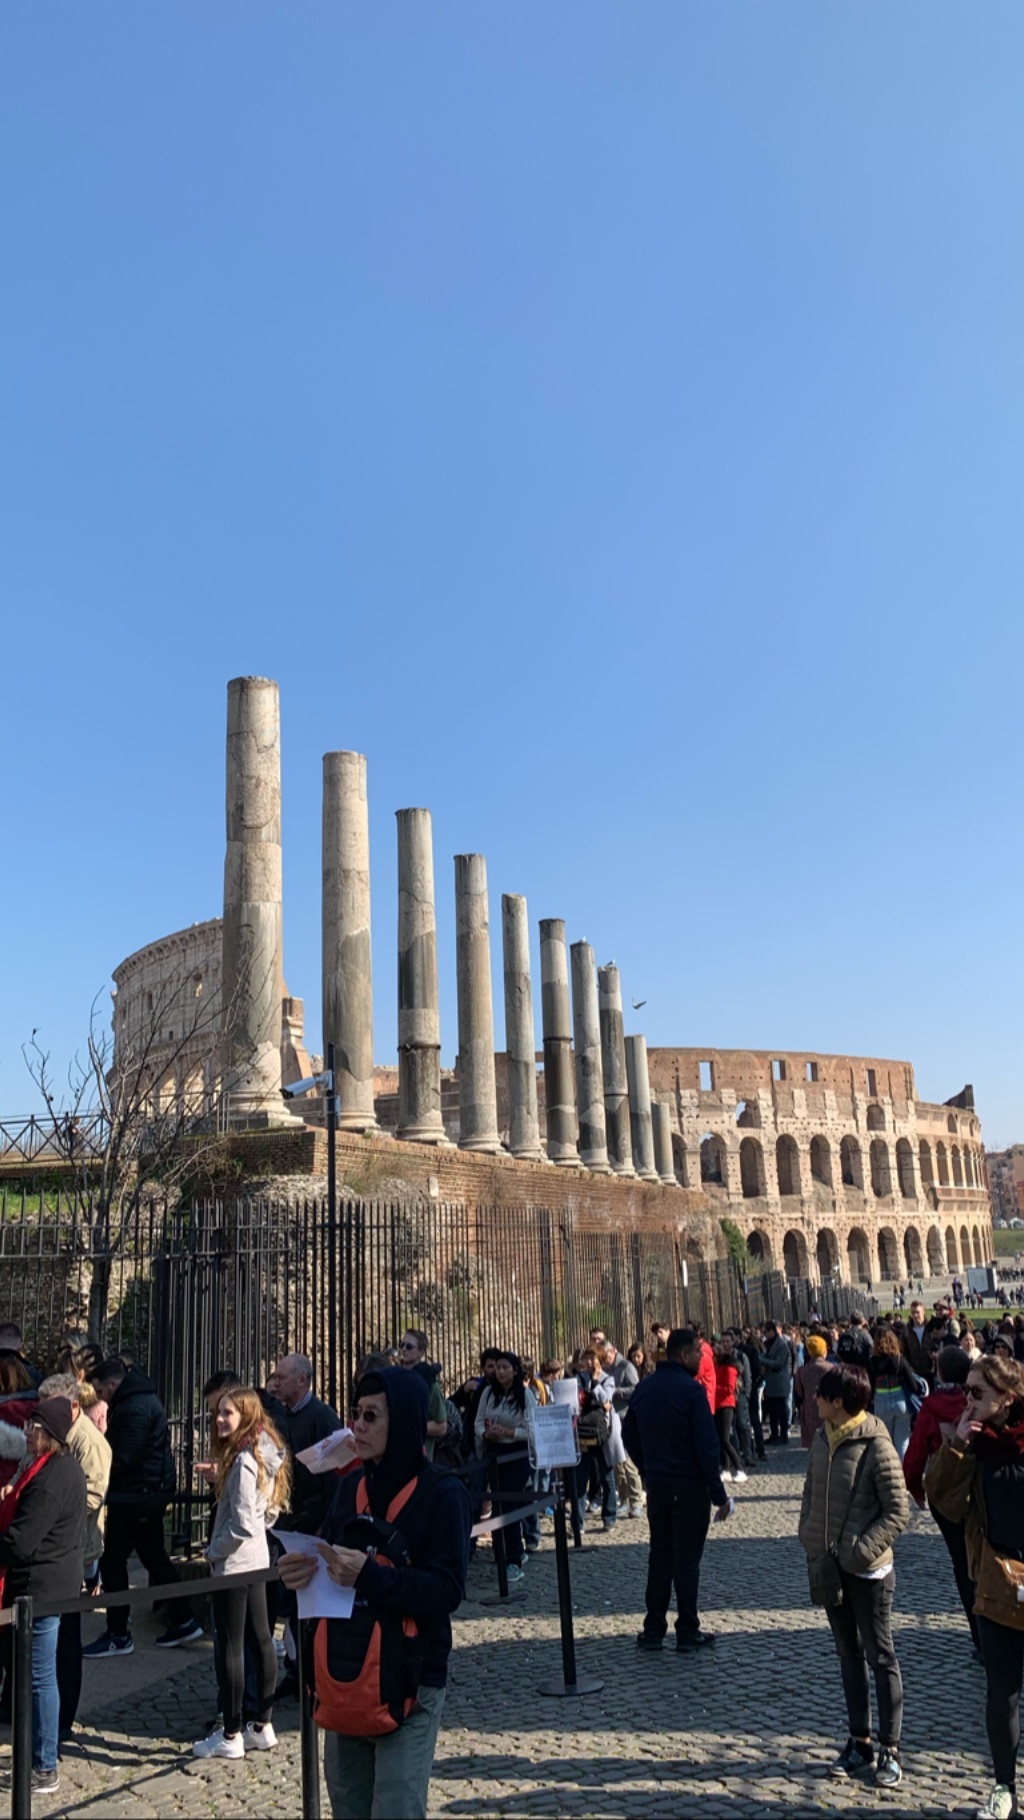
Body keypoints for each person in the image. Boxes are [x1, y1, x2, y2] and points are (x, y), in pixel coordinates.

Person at [279, 1365, 470, 1820]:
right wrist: (295, 1574)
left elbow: (446, 1590)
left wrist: (370, 1576)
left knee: (397, 1808)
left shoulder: (444, 1493)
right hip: (346, 1670)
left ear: (402, 1421)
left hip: (411, 1675)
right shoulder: (349, 1489)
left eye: (371, 1417)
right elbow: (326, 1566)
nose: (357, 1427)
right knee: (347, 1803)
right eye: (355, 1414)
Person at [797, 1362, 909, 1789]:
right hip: (829, 1565)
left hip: (868, 1572)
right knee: (848, 1657)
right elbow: (811, 1490)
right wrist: (809, 1532)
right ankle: (858, 1740)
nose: (815, 1400)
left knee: (880, 1657)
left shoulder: (876, 1443)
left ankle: (890, 1748)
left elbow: (897, 1511)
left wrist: (862, 1551)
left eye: (821, 1396)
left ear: (838, 1402)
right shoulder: (823, 1439)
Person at [928, 1352, 1024, 1820]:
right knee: (1000, 1692)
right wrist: (958, 1448)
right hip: (996, 1580)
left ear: (1007, 1399)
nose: (966, 1400)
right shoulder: (973, 1445)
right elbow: (943, 1502)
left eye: (977, 1393)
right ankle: (1004, 1786)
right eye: (966, 1389)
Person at [622, 1328, 734, 1652]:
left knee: (660, 1558)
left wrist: (647, 1468)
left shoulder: (645, 1388)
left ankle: (654, 1628)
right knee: (686, 1562)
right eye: (698, 1352)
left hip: (658, 1486)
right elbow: (707, 1448)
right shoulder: (692, 1392)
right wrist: (719, 1496)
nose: (702, 1357)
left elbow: (630, 1434)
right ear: (684, 1355)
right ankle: (687, 1629)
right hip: (689, 1488)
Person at [193, 1388, 290, 1761]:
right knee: (260, 1639)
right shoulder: (263, 1453)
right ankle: (261, 1724)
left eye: (227, 1414)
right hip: (256, 1560)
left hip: (236, 1564)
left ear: (245, 1416)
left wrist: (214, 1551)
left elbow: (245, 1524)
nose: (220, 1419)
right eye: (218, 1413)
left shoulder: (246, 1462)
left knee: (235, 1647)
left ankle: (232, 1731)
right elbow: (269, 1512)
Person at [84, 1357, 199, 1658]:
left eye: (101, 1391)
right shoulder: (138, 1399)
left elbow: (126, 1455)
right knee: (153, 1557)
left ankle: (119, 1632)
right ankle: (182, 1617)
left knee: (114, 1562)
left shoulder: (134, 1406)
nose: (100, 1398)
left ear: (112, 1383)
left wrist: (102, 1472)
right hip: (146, 1492)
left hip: (137, 1495)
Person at [0, 1397, 86, 1795]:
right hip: (46, 1581)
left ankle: (43, 1765)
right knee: (35, 1675)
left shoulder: (54, 1477)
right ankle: (36, 1753)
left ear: (49, 1433)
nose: (28, 1431)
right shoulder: (47, 1468)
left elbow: (22, 1542)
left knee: (39, 1677)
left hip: (42, 1585)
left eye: (34, 1426)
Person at [37, 1371, 112, 1739]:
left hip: (78, 1546)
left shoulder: (89, 1442)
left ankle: (63, 1717)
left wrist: (52, 1511)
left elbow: (93, 1494)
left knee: (67, 1639)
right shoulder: (60, 1433)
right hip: (59, 1544)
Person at [902, 1345, 978, 1653]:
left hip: (946, 1491)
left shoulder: (932, 1406)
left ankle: (979, 1636)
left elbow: (915, 1455)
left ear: (940, 1373)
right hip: (978, 1488)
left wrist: (917, 1490)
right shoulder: (975, 1402)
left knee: (962, 1564)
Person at [474, 1352, 536, 1581]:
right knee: (498, 1505)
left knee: (509, 1507)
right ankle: (504, 1554)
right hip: (494, 1453)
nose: (500, 1372)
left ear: (515, 1370)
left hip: (516, 1455)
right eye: (497, 1367)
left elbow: (532, 1429)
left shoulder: (525, 1395)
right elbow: (478, 1421)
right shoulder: (489, 1394)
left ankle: (513, 1559)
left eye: (504, 1367)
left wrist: (509, 1432)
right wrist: (486, 1433)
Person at [267, 1354, 343, 1535]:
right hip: (286, 1520)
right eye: (275, 1377)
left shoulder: (323, 1418)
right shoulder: (279, 1416)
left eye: (282, 1377)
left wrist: (325, 1524)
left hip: (314, 1521)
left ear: (301, 1380)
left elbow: (335, 1475)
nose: (276, 1383)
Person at [600, 1340, 643, 1516]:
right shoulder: (605, 1369)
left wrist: (616, 1391)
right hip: (611, 1417)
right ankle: (624, 1498)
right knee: (617, 1462)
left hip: (626, 1416)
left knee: (629, 1462)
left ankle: (636, 1500)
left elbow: (636, 1389)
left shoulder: (626, 1366)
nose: (605, 1360)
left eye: (607, 1355)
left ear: (613, 1351)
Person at [868, 1328, 920, 1461]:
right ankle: (903, 1472)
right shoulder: (899, 1360)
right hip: (900, 1401)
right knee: (902, 1442)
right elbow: (914, 1386)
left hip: (881, 1401)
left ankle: (888, 1470)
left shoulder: (872, 1361)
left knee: (885, 1441)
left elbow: (869, 1384)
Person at [397, 1332, 448, 1462]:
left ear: (420, 1352)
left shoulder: (429, 1383)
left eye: (409, 1346)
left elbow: (441, 1426)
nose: (403, 1349)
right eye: (401, 1345)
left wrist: (411, 1425)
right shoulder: (394, 1378)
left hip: (419, 1456)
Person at [712, 1338, 746, 1482]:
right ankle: (725, 1469)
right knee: (721, 1439)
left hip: (726, 1404)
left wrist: (714, 1387)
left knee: (725, 1439)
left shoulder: (730, 1368)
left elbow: (729, 1389)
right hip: (719, 1404)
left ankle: (739, 1469)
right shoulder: (720, 1366)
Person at [793, 1333, 830, 1448]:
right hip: (829, 1407)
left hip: (809, 1407)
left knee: (813, 1442)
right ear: (824, 1351)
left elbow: (799, 1391)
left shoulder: (802, 1370)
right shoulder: (831, 1369)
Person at [758, 1321, 793, 1445]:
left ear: (773, 1331)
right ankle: (774, 1434)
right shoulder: (766, 1344)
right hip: (770, 1382)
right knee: (772, 1410)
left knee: (781, 1409)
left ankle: (784, 1434)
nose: (765, 1334)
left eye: (767, 1331)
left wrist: (762, 1360)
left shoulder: (781, 1345)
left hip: (779, 1381)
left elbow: (778, 1363)